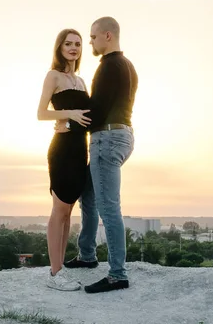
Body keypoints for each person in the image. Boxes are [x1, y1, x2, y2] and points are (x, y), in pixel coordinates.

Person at [58, 16, 138, 293]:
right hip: (124, 136)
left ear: (107, 35)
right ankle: (88, 255)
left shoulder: (107, 67)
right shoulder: (127, 65)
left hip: (107, 139)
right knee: (89, 198)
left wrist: (67, 123)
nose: (89, 42)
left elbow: (96, 111)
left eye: (92, 37)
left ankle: (117, 274)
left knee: (108, 208)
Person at [37, 28, 92, 291]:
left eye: (78, 44)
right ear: (59, 48)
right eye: (68, 44)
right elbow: (40, 113)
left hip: (80, 149)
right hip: (61, 149)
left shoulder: (81, 82)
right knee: (58, 210)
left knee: (69, 210)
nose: (73, 48)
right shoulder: (54, 76)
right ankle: (55, 273)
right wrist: (68, 114)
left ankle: (60, 269)